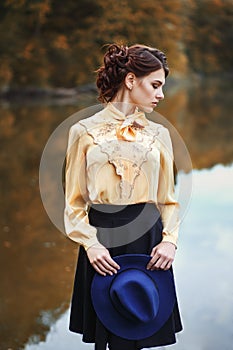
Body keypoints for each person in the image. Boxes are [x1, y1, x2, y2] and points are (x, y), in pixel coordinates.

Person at [64, 44, 183, 350]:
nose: (161, 95)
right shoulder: (82, 131)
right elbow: (74, 202)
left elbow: (168, 199)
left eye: (162, 87)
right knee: (107, 336)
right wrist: (90, 245)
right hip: (101, 239)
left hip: (148, 237)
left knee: (140, 318)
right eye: (155, 85)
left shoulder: (161, 134)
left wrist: (169, 240)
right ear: (131, 80)